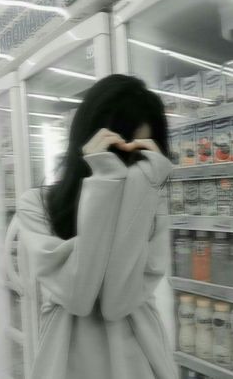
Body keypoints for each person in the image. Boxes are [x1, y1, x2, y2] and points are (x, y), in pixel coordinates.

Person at [16, 74, 179, 379]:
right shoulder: (37, 204)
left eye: (142, 157)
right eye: (118, 154)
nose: (131, 170)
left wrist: (142, 187)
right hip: (67, 357)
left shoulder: (151, 206)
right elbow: (78, 295)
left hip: (138, 356)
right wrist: (104, 181)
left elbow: (117, 303)